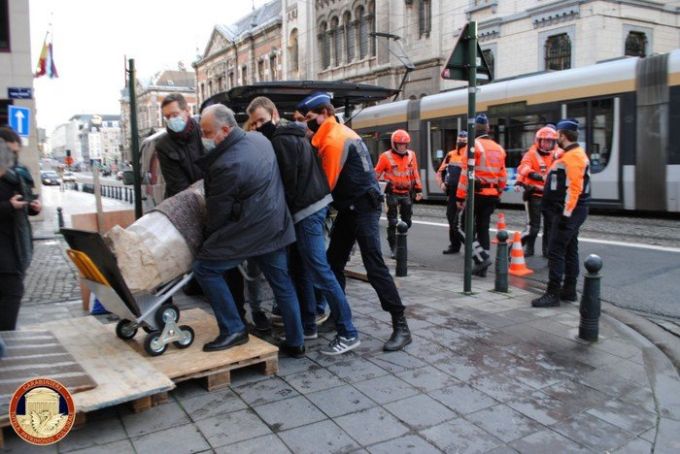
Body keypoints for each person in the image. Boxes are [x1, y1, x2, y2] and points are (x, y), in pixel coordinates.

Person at [298, 92, 412, 352]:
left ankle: (401, 325)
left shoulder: (334, 139)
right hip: (350, 207)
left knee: (374, 265)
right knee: (333, 262)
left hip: (363, 207)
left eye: (310, 117)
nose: (307, 123)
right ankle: (339, 318)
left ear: (325, 113)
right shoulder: (337, 132)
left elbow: (325, 186)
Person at [247, 96, 360, 355]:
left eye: (262, 120)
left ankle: (348, 331)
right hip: (305, 211)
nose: (258, 127)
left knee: (320, 271)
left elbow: (285, 186)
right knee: (301, 270)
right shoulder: (287, 136)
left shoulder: (280, 140)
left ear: (274, 114)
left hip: (307, 212)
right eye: (254, 124)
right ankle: (308, 325)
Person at [193, 104, 305, 356]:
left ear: (225, 129)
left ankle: (234, 329)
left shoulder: (226, 164)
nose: (204, 139)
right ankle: (297, 342)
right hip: (276, 224)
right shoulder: (258, 139)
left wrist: (208, 240)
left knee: (205, 268)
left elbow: (218, 213)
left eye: (208, 133)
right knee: (282, 284)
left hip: (251, 230)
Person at [158, 94, 270, 332]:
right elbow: (178, 185)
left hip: (219, 202)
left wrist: (217, 199)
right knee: (202, 266)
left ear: (186, 112)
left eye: (174, 115)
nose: (171, 120)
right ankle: (228, 321)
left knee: (226, 266)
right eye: (167, 117)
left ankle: (237, 320)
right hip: (188, 207)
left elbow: (224, 167)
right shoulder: (164, 145)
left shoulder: (207, 128)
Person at [532, 118, 590, 308]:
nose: (555, 137)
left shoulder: (573, 156)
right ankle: (569, 290)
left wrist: (565, 215)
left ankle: (553, 293)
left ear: (563, 136)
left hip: (568, 211)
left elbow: (574, 188)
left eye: (557, 134)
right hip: (570, 210)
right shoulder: (572, 154)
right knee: (571, 248)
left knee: (555, 251)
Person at [456, 114, 507, 277]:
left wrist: (459, 197)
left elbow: (465, 174)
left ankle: (481, 259)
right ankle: (482, 268)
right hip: (492, 194)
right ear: (488, 129)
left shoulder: (473, 146)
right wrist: (498, 192)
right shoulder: (499, 148)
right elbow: (502, 176)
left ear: (473, 129)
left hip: (476, 194)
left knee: (461, 228)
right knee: (483, 228)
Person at [0, 138, 41, 331]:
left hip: (13, 243)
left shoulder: (16, 176)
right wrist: (9, 206)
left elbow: (24, 202)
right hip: (4, 249)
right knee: (12, 292)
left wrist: (32, 207)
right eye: (10, 151)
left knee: (11, 292)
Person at [374, 129, 423, 258]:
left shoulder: (411, 155)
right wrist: (374, 190)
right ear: (394, 144)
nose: (402, 147)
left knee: (407, 221)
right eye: (399, 144)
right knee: (393, 221)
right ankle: (394, 247)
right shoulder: (385, 157)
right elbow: (376, 175)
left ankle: (401, 239)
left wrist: (419, 189)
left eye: (404, 144)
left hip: (406, 193)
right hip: (392, 193)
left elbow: (415, 173)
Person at [517, 126, 560, 257]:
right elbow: (523, 168)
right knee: (534, 227)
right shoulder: (531, 154)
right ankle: (527, 248)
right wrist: (536, 176)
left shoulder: (557, 154)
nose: (547, 144)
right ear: (539, 141)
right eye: (545, 141)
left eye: (550, 141)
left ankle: (547, 251)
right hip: (535, 195)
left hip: (550, 197)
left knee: (550, 225)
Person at [436, 131, 467, 255]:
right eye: (460, 140)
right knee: (451, 218)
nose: (461, 143)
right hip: (452, 192)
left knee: (461, 222)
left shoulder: (471, 154)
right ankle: (454, 245)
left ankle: (472, 247)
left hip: (465, 192)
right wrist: (442, 184)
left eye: (464, 142)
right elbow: (440, 172)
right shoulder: (450, 155)